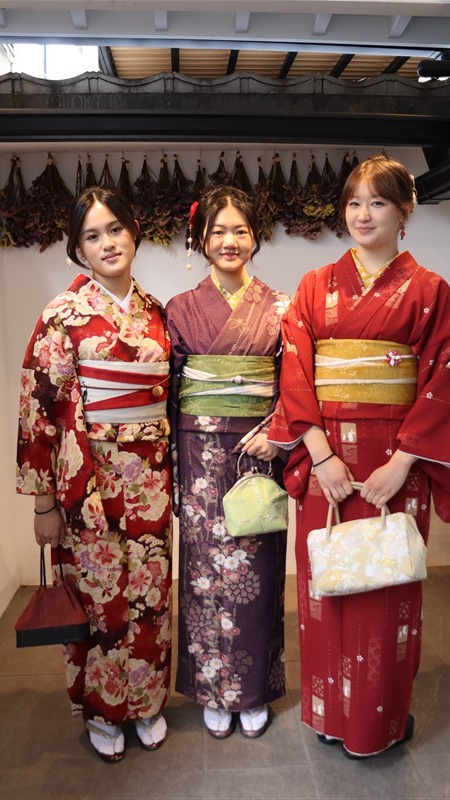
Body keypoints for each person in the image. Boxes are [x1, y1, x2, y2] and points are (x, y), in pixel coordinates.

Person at [268, 154, 450, 758]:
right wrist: (320, 455)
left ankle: (377, 722)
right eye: (354, 202)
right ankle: (330, 714)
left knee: (388, 590)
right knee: (327, 586)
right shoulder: (314, 286)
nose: (363, 214)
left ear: (404, 211)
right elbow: (295, 369)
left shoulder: (430, 291)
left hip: (395, 461)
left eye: (378, 202)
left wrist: (403, 462)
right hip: (327, 460)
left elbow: (447, 376)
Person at [16, 187, 172, 762]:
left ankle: (146, 701)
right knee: (100, 596)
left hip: (150, 474)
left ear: (134, 231)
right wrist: (43, 503)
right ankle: (104, 711)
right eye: (92, 235)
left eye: (115, 229)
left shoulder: (156, 312)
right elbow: (38, 408)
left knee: (150, 591)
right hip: (88, 481)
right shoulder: (61, 314)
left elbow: (169, 394)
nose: (107, 243)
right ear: (78, 249)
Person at [165, 186, 289, 739]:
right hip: (199, 451)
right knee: (203, 575)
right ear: (200, 239)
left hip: (258, 451)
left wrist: (279, 433)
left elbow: (295, 382)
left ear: (256, 237)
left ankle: (254, 689)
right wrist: (173, 463)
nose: (229, 241)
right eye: (217, 231)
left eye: (240, 230)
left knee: (257, 575)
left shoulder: (281, 307)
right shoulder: (179, 309)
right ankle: (212, 690)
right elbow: (169, 392)